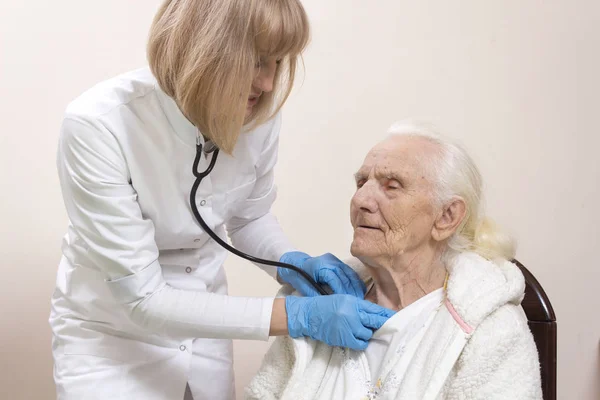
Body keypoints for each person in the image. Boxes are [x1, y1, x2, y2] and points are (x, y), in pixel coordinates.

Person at [49, 1, 394, 399]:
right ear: (203, 47)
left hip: (207, 328)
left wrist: (293, 264)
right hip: (113, 336)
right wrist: (298, 316)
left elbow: (248, 219)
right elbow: (144, 299)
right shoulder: (99, 125)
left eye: (278, 63)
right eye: (257, 61)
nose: (266, 84)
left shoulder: (259, 115)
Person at [246, 122, 543, 400]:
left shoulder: (491, 331)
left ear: (446, 217)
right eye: (361, 181)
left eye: (392, 185)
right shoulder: (322, 306)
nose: (361, 200)